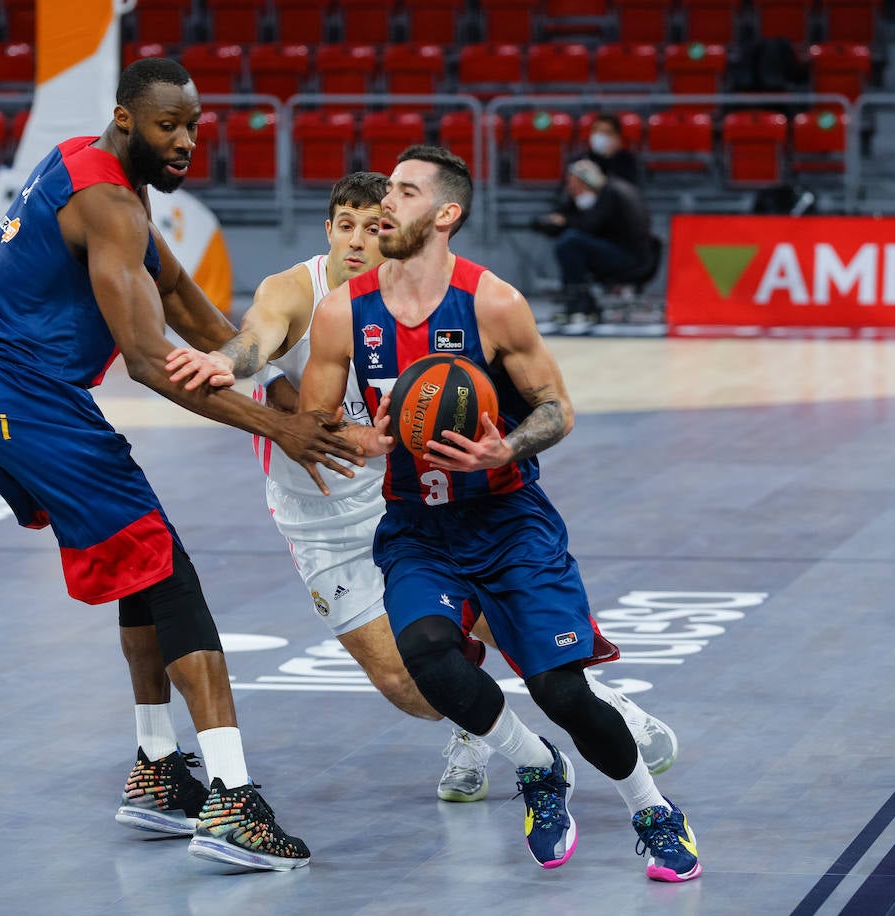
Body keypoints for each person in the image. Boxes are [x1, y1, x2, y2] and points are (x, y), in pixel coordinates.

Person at [0, 58, 363, 872]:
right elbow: (152, 362)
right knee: (170, 572)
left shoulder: (85, 169)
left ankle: (159, 771)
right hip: (21, 398)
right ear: (125, 119)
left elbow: (190, 307)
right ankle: (232, 799)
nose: (187, 141)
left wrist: (273, 377)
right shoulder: (110, 205)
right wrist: (281, 428)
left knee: (137, 566)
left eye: (195, 127)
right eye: (169, 126)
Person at [168, 172, 679, 806]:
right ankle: (492, 733)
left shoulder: (422, 289)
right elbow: (254, 338)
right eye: (344, 225)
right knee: (407, 686)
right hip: (316, 514)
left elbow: (533, 399)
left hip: (398, 496)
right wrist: (224, 362)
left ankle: (595, 707)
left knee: (502, 626)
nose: (359, 239)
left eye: (371, 222)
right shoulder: (298, 291)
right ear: (328, 229)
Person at [294, 145, 702, 882]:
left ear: (446, 213)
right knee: (424, 655)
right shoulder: (339, 311)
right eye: (386, 187)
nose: (387, 202)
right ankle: (535, 765)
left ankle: (652, 809)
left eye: (406, 191)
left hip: (509, 521)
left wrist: (502, 448)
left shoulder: (493, 302)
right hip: (417, 527)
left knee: (563, 693)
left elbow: (558, 409)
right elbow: (312, 426)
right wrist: (362, 437)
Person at [534, 158, 656, 330]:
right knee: (572, 241)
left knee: (570, 243)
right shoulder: (613, 189)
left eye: (575, 185)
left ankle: (579, 303)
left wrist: (565, 221)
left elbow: (588, 225)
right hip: (635, 253)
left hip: (631, 258)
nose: (570, 189)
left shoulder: (611, 193)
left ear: (587, 182)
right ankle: (582, 301)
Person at [575, 113, 639, 186]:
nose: (599, 136)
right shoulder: (581, 159)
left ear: (617, 137)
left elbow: (625, 190)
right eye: (596, 131)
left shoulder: (627, 160)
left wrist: (609, 157)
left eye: (605, 132)